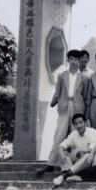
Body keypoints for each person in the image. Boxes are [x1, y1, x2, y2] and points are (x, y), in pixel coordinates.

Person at [38, 49, 88, 177]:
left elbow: (86, 96)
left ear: (79, 61)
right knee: (59, 135)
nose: (74, 62)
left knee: (75, 135)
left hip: (78, 107)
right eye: (71, 59)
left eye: (76, 60)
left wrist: (84, 112)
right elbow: (57, 91)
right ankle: (51, 163)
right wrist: (55, 101)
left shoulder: (84, 77)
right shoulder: (62, 76)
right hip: (64, 107)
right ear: (68, 60)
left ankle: (74, 167)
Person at [52, 113, 96, 187]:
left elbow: (92, 148)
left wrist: (79, 150)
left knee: (87, 155)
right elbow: (61, 145)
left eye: (80, 122)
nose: (79, 125)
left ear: (85, 123)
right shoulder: (74, 134)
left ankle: (64, 176)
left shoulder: (93, 132)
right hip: (77, 165)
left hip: (90, 164)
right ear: (74, 126)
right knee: (63, 153)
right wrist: (61, 154)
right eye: (76, 124)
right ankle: (73, 176)